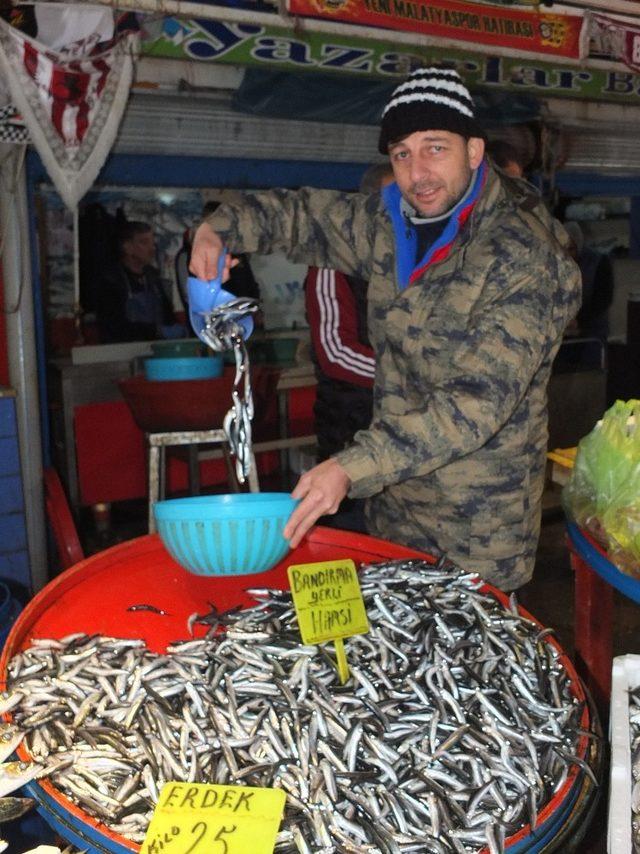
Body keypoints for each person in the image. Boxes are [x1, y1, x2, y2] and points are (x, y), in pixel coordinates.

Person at [190, 67, 581, 591]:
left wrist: (351, 467)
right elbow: (304, 216)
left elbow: (475, 404)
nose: (417, 172)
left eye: (434, 148)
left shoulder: (524, 256)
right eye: (401, 153)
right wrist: (220, 226)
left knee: (469, 663)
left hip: (476, 527)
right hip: (394, 509)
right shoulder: (388, 222)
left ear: (473, 151)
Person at [305, 163, 393, 532]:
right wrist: (408, 376)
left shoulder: (414, 263)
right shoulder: (333, 263)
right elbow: (336, 352)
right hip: (351, 433)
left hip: (403, 441)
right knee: (355, 545)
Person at [94, 220, 185, 343]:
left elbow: (167, 316)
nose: (152, 248)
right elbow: (114, 327)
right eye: (144, 242)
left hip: (157, 348)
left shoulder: (153, 278)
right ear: (127, 247)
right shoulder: (111, 281)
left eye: (152, 243)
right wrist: (157, 331)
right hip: (121, 352)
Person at [563, 220, 613, 343]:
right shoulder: (557, 264)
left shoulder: (599, 263)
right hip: (563, 333)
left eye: (571, 249)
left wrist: (579, 321)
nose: (567, 255)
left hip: (593, 332)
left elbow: (602, 300)